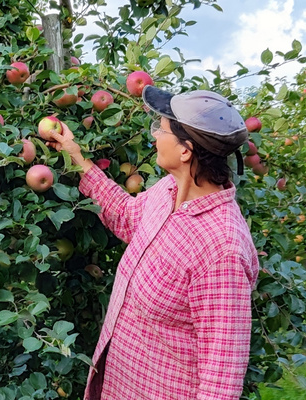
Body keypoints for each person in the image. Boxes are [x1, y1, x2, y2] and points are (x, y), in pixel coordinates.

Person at [46, 86, 259, 400]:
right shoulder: (168, 191)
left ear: (185, 151)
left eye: (161, 128)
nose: (155, 135)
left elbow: (220, 382)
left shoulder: (221, 248)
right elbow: (126, 215)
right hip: (118, 386)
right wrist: (76, 156)